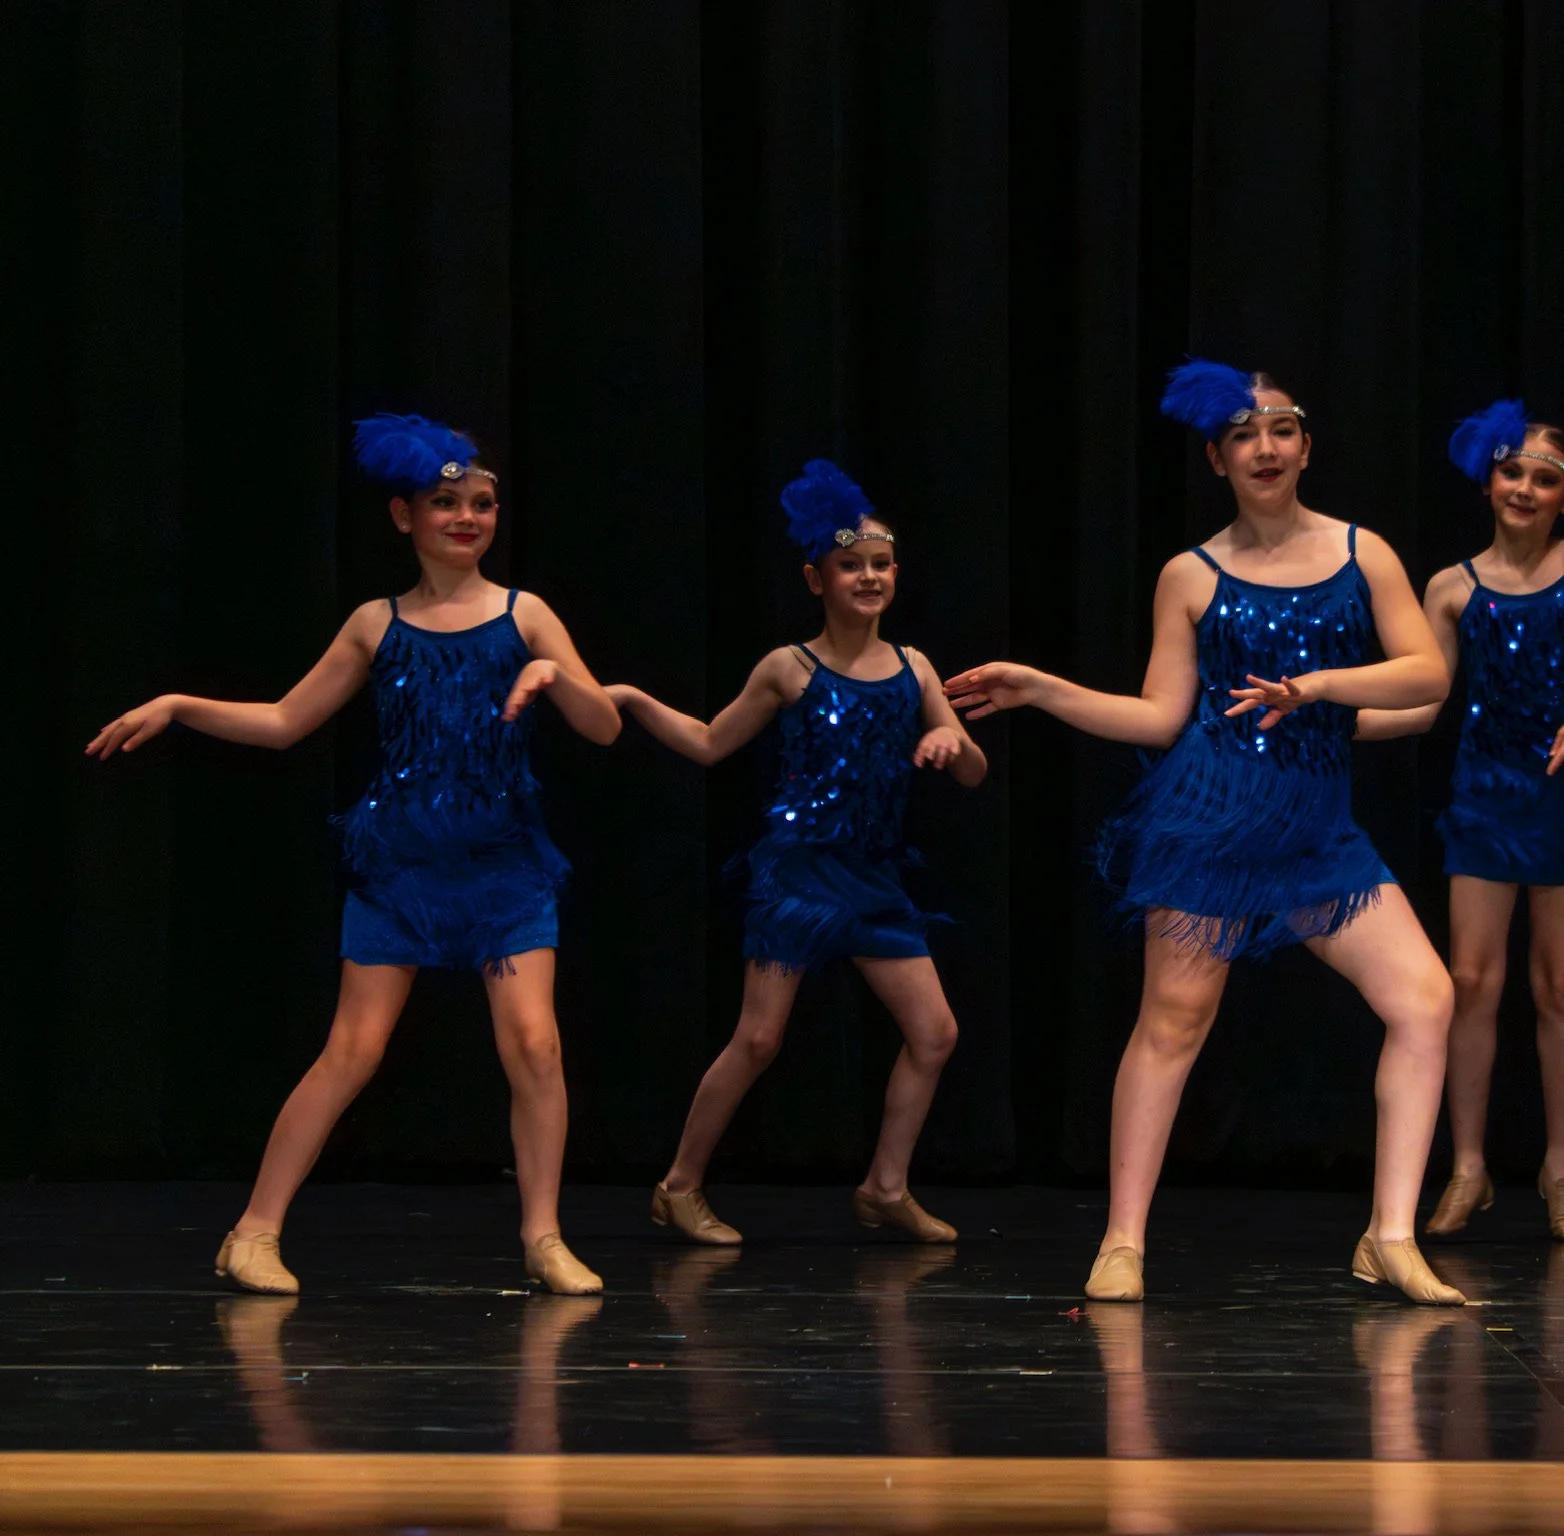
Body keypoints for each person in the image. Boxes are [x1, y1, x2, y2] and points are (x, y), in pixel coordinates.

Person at [946, 359, 1460, 1304]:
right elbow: (1158, 716)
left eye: (1280, 430)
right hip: (1212, 822)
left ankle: (1390, 1235)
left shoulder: (1364, 554)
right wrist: (1043, 688)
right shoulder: (1190, 573)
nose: (1264, 448)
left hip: (1318, 830)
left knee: (1426, 1000)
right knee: (1174, 1022)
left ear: (1306, 445)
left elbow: (1427, 674)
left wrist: (1320, 688)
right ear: (1217, 460)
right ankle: (1122, 1241)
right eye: (1242, 435)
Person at [86, 413, 622, 1295]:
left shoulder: (525, 615)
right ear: (403, 516)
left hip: (504, 862)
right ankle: (252, 1232)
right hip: (401, 863)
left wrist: (556, 676)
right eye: (446, 503)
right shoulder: (376, 623)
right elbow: (284, 722)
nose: (467, 517)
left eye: (482, 503)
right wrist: (180, 705)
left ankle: (543, 1236)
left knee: (536, 1044)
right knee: (353, 1050)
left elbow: (604, 728)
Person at [608, 460, 984, 1248]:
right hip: (798, 876)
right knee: (758, 1039)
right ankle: (678, 1186)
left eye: (882, 564)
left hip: (875, 880)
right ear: (817, 579)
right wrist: (638, 701)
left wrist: (953, 742)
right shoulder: (790, 667)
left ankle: (885, 1187)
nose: (870, 576)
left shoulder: (914, 668)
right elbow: (710, 743)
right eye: (851, 565)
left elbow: (975, 770)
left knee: (935, 1033)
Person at [1358, 402, 1564, 1242]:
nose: (1524, 488)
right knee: (1471, 981)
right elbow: (1426, 701)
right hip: (1486, 797)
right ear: (1489, 482)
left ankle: (1560, 1167)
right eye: (1512, 471)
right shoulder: (1452, 587)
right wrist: (1331, 716)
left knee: (1560, 984)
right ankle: (1468, 1166)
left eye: (1544, 478)